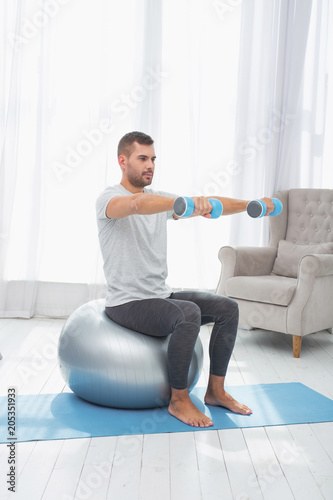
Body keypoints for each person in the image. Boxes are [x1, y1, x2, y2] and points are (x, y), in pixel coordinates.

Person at [96, 131, 274, 428]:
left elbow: (211, 203)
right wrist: (178, 204)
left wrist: (250, 204)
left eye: (153, 159)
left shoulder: (160, 199)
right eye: (142, 159)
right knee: (188, 313)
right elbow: (137, 205)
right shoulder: (109, 198)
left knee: (227, 308)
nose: (150, 165)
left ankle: (216, 391)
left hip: (159, 295)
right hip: (127, 303)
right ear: (122, 161)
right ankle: (178, 400)